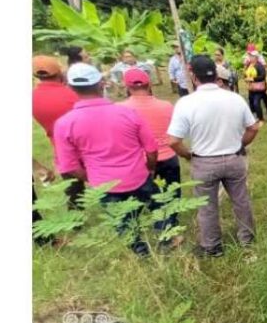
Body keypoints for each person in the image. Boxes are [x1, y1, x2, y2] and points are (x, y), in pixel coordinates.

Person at [53, 63, 159, 257]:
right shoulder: (128, 113)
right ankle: (167, 237)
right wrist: (150, 168)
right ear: (102, 84)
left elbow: (69, 166)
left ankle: (140, 251)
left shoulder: (64, 124)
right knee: (159, 207)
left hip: (104, 185)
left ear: (71, 88)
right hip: (139, 176)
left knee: (122, 222)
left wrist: (94, 179)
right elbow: (151, 149)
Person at [167, 55, 260, 257]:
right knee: (241, 200)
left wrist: (188, 155)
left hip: (204, 161)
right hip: (235, 158)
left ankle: (212, 247)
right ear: (216, 74)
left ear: (193, 75)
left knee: (207, 207)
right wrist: (240, 144)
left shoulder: (186, 103)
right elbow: (253, 128)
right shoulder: (235, 98)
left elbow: (173, 141)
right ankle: (248, 239)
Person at [118, 68, 182, 243]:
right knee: (172, 193)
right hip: (168, 156)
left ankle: (150, 228)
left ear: (127, 86)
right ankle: (170, 226)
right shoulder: (166, 106)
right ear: (149, 84)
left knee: (146, 196)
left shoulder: (119, 109)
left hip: (140, 161)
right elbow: (174, 131)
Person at [32, 55, 83, 209]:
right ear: (60, 73)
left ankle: (75, 218)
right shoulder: (72, 95)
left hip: (60, 146)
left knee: (73, 185)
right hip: (83, 143)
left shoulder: (33, 97)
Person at [244, 52, 267, 121]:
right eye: (249, 56)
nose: (250, 58)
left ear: (256, 57)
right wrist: (246, 78)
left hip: (259, 88)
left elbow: (263, 76)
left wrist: (253, 79)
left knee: (256, 102)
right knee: (251, 101)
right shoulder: (249, 65)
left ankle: (261, 118)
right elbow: (246, 74)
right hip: (251, 87)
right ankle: (254, 115)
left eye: (252, 56)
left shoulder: (259, 66)